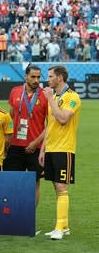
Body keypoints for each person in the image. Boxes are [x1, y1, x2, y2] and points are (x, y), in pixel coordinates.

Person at [39, 65, 82, 240]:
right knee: (57, 188)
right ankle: (63, 226)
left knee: (61, 186)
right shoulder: (55, 97)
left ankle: (59, 227)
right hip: (51, 148)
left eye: (50, 76)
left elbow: (63, 119)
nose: (48, 79)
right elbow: (50, 125)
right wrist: (43, 148)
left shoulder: (72, 97)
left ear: (60, 78)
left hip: (65, 149)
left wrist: (50, 100)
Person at [4, 65, 48, 205]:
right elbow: (10, 117)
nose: (36, 80)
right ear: (26, 76)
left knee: (35, 183)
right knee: (12, 182)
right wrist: (8, 138)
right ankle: (14, 215)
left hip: (35, 147)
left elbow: (50, 125)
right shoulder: (15, 91)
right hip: (15, 146)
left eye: (38, 77)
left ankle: (30, 219)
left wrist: (36, 143)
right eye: (33, 77)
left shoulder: (44, 95)